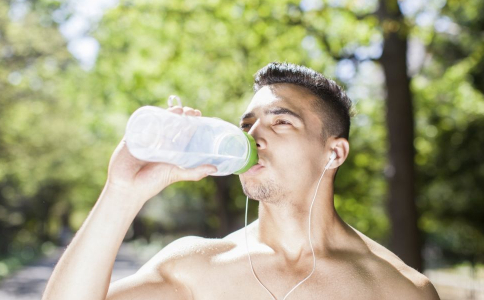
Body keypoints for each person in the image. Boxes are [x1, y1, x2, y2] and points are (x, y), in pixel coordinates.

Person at [43, 62, 440, 300]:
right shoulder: (198, 266)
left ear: (333, 153)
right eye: (247, 124)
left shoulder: (400, 290)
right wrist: (122, 191)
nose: (253, 137)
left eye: (281, 121)